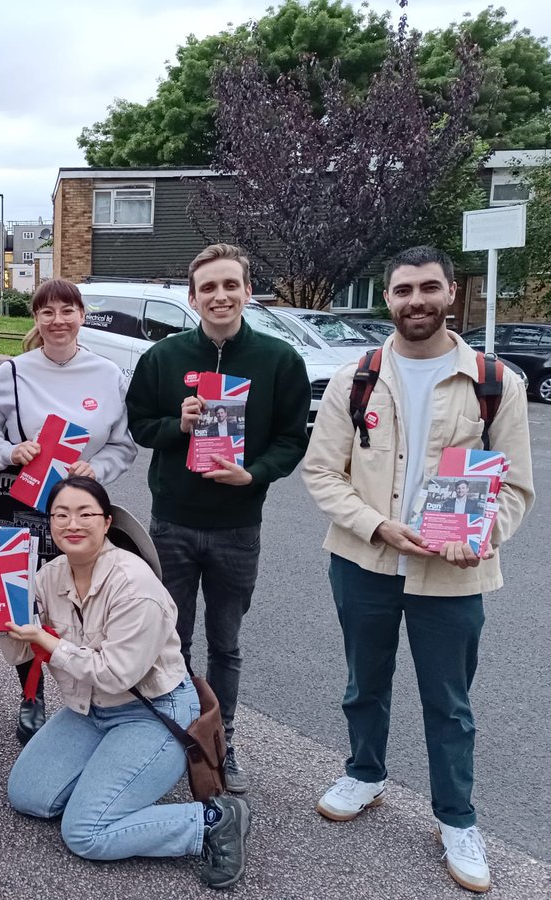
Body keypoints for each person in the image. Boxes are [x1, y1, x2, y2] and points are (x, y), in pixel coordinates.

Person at [302, 246, 533, 894]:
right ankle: (365, 774)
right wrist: (377, 524)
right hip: (365, 561)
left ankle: (456, 818)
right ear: (388, 298)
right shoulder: (358, 378)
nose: (416, 300)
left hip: (454, 575)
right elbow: (321, 471)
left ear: (451, 294)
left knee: (450, 704)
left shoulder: (495, 383)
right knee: (364, 683)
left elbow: (513, 489)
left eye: (429, 288)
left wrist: (483, 535)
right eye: (403, 290)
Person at [0, 477, 250, 889]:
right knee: (28, 795)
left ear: (106, 522)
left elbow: (118, 674)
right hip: (89, 709)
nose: (72, 523)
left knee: (86, 833)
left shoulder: (135, 585)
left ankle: (212, 820)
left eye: (85, 514)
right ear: (49, 524)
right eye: (61, 514)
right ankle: (109, 783)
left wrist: (47, 639)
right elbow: (20, 654)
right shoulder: (49, 576)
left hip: (153, 712)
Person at [125, 243, 310, 794]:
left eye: (230, 285)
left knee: (225, 643)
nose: (220, 296)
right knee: (171, 637)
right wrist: (175, 426)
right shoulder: (164, 357)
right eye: (208, 287)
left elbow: (291, 439)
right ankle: (175, 737)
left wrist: (253, 475)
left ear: (248, 291)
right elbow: (139, 426)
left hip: (237, 526)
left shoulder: (280, 361)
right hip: (173, 524)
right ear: (193, 297)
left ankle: (221, 742)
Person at [0, 277, 136, 744]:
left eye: (67, 311)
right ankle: (30, 695)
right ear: (36, 319)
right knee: (17, 605)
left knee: (78, 602)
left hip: (78, 506)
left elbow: (124, 446)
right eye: (47, 312)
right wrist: (10, 451)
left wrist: (97, 467)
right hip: (13, 500)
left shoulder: (108, 375)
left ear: (82, 316)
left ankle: (87, 698)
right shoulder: (14, 373)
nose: (58, 321)